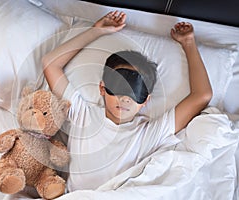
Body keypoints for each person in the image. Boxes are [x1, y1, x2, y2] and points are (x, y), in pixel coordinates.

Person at [42, 11, 212, 192]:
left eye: (134, 91)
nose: (124, 98)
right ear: (102, 88)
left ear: (145, 100)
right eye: (118, 85)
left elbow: (202, 95)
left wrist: (189, 44)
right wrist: (96, 31)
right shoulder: (83, 114)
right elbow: (50, 64)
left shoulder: (150, 133)